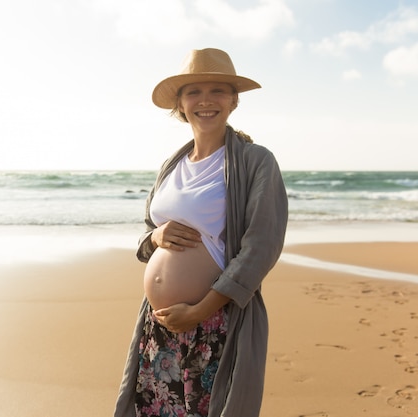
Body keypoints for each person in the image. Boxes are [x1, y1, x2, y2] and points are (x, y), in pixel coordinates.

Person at [113, 48, 288, 417]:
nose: (205, 100)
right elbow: (149, 234)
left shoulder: (256, 162)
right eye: (193, 91)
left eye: (218, 90)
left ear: (234, 100)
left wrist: (199, 311)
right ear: (179, 104)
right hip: (159, 323)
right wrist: (156, 237)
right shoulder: (171, 165)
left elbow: (261, 247)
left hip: (214, 322)